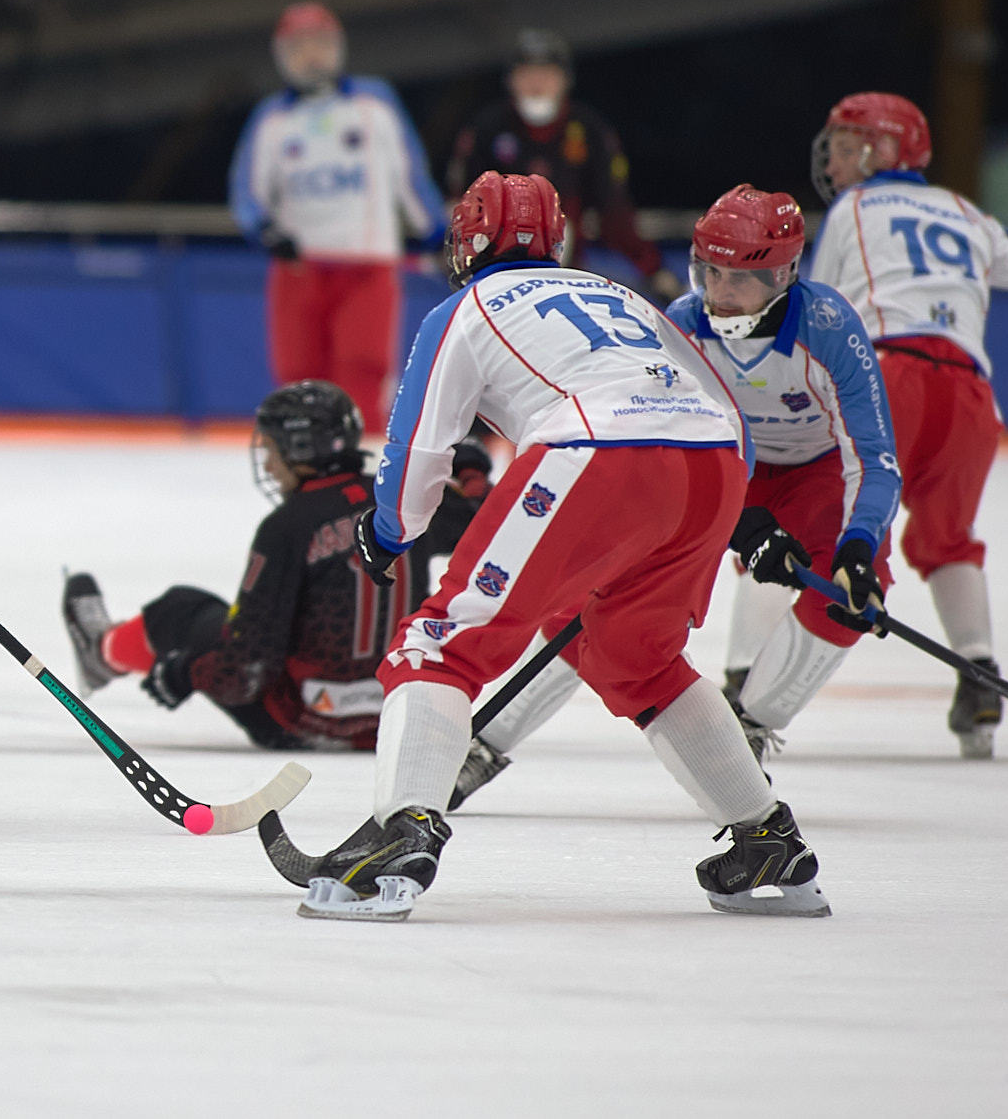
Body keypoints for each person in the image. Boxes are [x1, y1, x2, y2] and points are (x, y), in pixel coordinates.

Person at [295, 170, 831, 922]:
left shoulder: (466, 307)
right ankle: (766, 835)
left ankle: (402, 832)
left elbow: (417, 454)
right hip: (712, 463)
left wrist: (386, 532)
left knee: (439, 644)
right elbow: (723, 411)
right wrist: (721, 517)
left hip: (596, 449)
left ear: (469, 238)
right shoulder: (621, 294)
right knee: (642, 661)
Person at [447, 185, 900, 808]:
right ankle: (483, 747)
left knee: (853, 590)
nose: (719, 294)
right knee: (595, 596)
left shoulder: (828, 327)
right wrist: (743, 520)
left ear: (786, 275)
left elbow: (872, 458)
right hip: (712, 470)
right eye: (707, 272)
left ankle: (750, 725)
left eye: (740, 279)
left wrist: (858, 547)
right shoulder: (680, 323)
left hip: (812, 472)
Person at [61, 380, 490, 751]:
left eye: (270, 449)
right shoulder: (405, 500)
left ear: (300, 450)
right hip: (394, 717)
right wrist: (470, 469)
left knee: (183, 609)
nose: (266, 463)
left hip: (299, 721)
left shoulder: (287, 527)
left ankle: (103, 651)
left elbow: (246, 669)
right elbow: (487, 518)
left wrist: (184, 671)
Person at [808, 92, 1008, 758]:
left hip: (888, 372)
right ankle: (979, 671)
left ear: (884, 150)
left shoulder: (855, 208)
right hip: (971, 391)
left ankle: (746, 684)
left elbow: (822, 309)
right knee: (950, 537)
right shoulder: (964, 211)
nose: (835, 162)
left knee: (822, 513)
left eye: (847, 147)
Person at [228, 1, 445, 422]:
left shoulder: (374, 102)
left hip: (366, 267)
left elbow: (409, 175)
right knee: (297, 379)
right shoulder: (271, 118)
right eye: (298, 46)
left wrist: (436, 231)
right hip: (299, 270)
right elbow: (246, 191)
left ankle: (361, 480)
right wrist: (265, 231)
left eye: (320, 43)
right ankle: (307, 482)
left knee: (363, 373)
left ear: (337, 48)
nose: (311, 55)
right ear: (282, 56)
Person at [448, 28, 679, 301]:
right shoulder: (486, 129)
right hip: (493, 276)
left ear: (564, 79)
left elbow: (615, 214)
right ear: (511, 80)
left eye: (546, 73)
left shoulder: (590, 131)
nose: (537, 83)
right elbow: (458, 205)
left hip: (566, 274)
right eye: (527, 73)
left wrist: (652, 268)